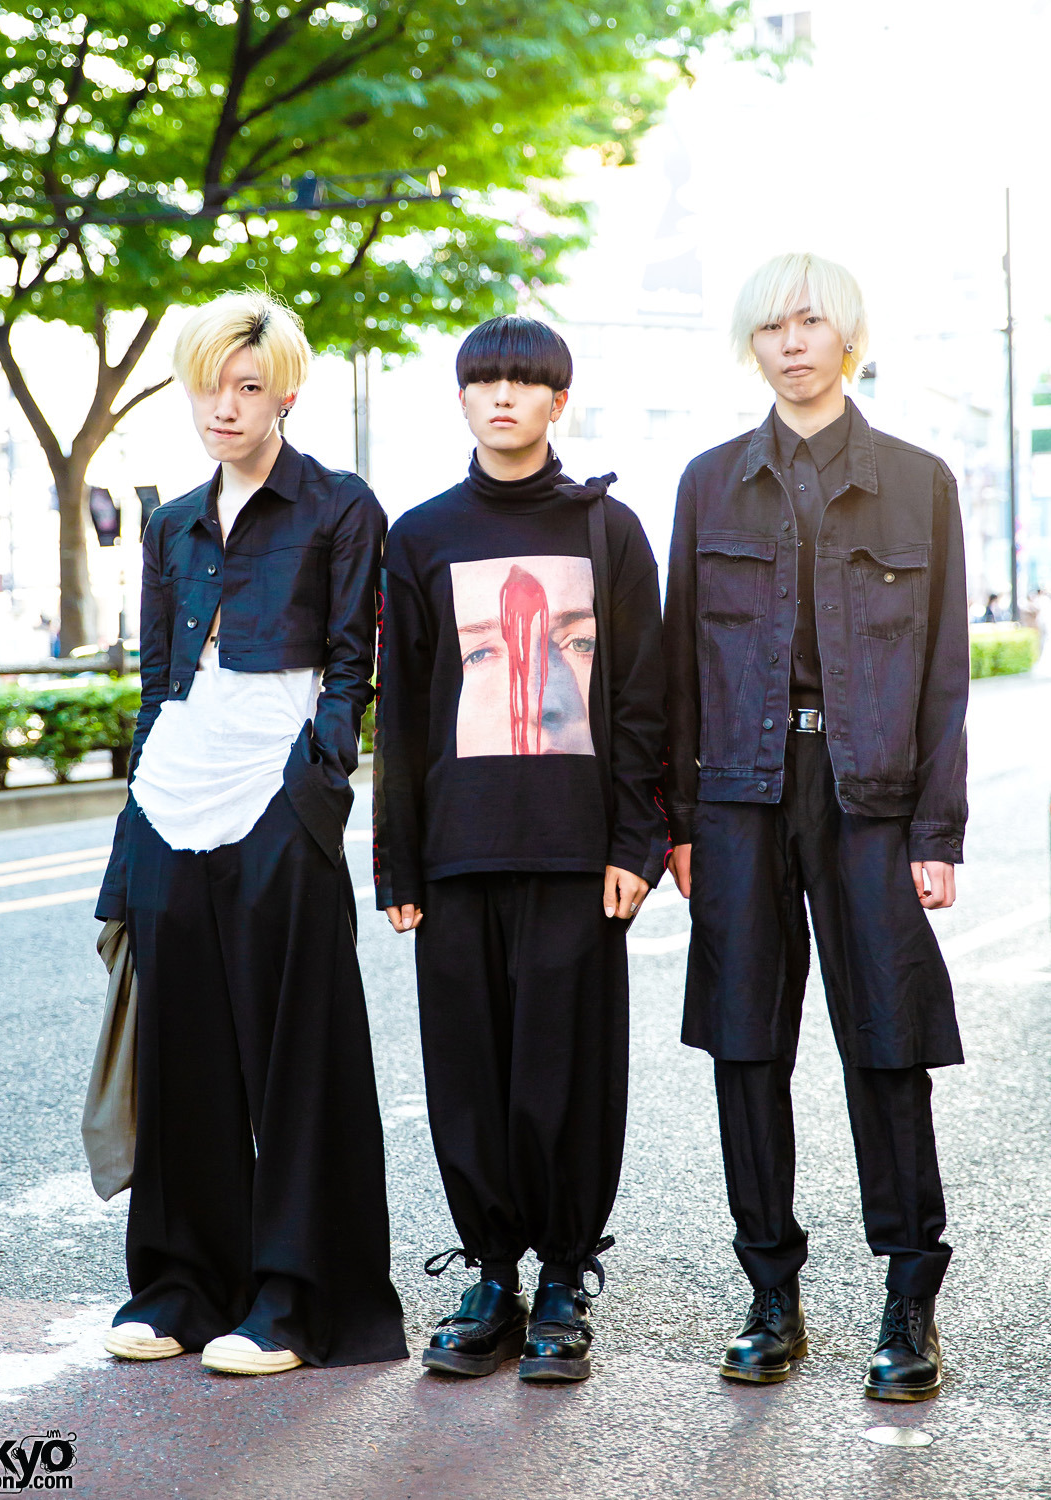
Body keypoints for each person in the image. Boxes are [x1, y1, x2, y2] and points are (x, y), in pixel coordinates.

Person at [664, 253, 968, 1402]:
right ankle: (772, 1291)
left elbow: (943, 672)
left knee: (886, 1040)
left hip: (872, 795)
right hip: (738, 793)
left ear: (847, 335)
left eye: (811, 322)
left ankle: (908, 1298)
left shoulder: (916, 481)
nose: (790, 342)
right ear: (753, 346)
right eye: (770, 327)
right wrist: (677, 821)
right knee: (746, 1042)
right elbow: (677, 660)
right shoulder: (707, 483)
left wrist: (937, 829)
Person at [94, 289, 407, 1376]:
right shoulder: (174, 520)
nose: (223, 407)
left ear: (283, 392)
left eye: (247, 386)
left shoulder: (339, 505)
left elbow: (353, 673)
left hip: (277, 799)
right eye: (208, 386)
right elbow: (155, 683)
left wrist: (310, 796)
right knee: (183, 1057)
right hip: (173, 799)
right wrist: (131, 827)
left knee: (297, 1059)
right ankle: (182, 1284)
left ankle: (293, 1298)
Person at [374, 315, 667, 1383]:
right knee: (468, 1072)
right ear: (460, 399)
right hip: (454, 854)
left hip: (577, 852)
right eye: (482, 380)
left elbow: (643, 700)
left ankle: (560, 1284)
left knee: (568, 1076)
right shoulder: (421, 535)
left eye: (523, 382)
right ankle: (491, 1276)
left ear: (558, 402)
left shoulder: (612, 531)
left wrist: (636, 840)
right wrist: (396, 861)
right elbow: (400, 711)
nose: (502, 397)